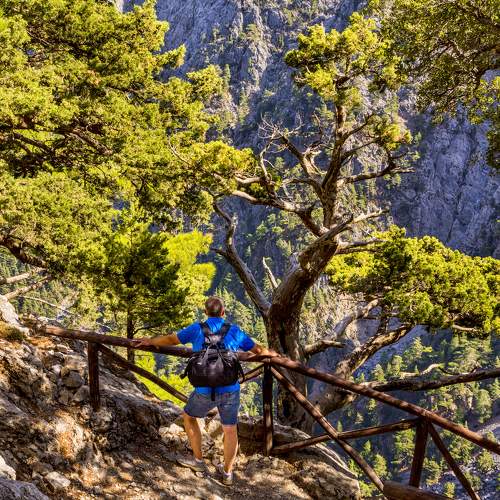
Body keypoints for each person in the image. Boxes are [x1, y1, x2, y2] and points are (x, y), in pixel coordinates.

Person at [132, 296, 278, 486]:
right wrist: (272, 354)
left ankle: (199, 462)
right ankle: (227, 473)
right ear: (223, 313)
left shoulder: (196, 329)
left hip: (204, 389)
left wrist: (150, 341)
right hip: (230, 389)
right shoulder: (234, 331)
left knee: (189, 417)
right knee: (230, 430)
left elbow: (171, 339)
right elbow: (258, 350)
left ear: (205, 312)